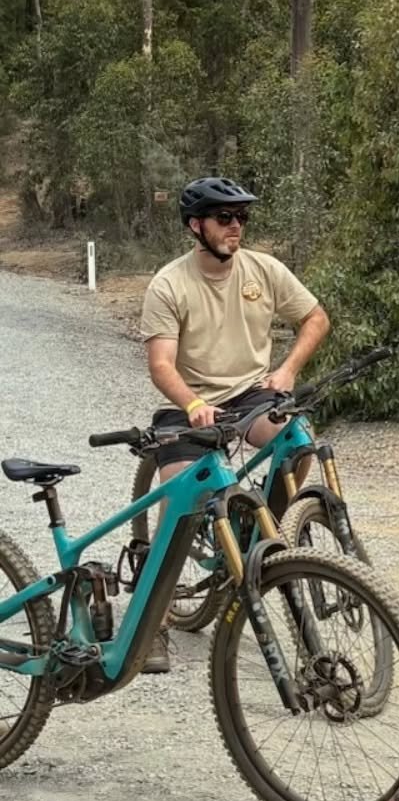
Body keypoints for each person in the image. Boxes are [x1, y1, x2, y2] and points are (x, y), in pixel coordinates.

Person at [137, 176, 331, 673]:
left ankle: (259, 535)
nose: (236, 227)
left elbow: (316, 319)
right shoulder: (170, 284)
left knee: (298, 442)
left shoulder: (264, 270)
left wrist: (286, 372)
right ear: (195, 226)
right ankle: (153, 624)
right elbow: (161, 365)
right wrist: (193, 400)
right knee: (179, 498)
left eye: (241, 217)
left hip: (251, 394)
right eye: (224, 218)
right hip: (191, 402)